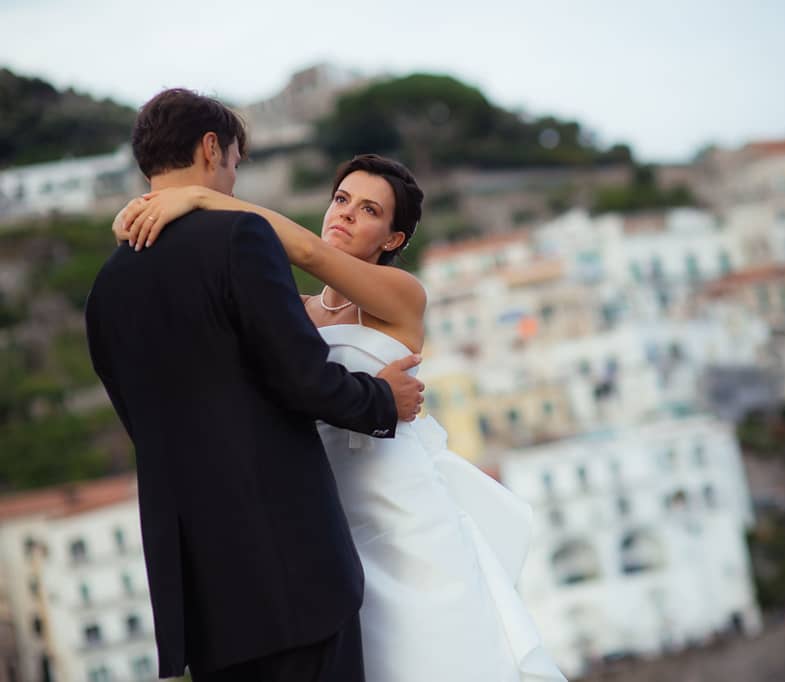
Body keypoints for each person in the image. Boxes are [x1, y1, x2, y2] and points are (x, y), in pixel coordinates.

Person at [116, 153, 567, 681]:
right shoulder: (291, 310)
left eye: (369, 209)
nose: (346, 214)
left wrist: (200, 198)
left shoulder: (401, 296)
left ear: (393, 238)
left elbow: (305, 249)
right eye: (341, 199)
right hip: (322, 520)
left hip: (403, 513)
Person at [86, 89, 426, 682]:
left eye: (368, 209)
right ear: (211, 148)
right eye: (236, 165)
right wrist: (382, 400)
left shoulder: (105, 289)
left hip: (207, 594)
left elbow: (146, 424)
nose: (234, 185)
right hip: (294, 564)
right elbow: (301, 377)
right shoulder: (240, 238)